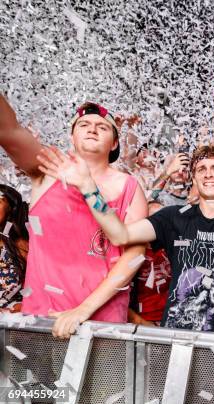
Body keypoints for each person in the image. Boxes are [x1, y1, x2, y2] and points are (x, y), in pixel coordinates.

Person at [37, 143, 214, 335]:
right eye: (201, 169)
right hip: (176, 337)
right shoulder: (173, 217)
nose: (208, 174)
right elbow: (120, 234)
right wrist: (88, 187)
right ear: (193, 177)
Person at [0, 97, 148, 339]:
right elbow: (7, 130)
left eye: (102, 127)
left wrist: (82, 311)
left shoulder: (129, 187)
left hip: (103, 324)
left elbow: (134, 256)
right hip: (41, 318)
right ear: (71, 138)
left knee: (103, 379)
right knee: (35, 379)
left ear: (114, 144)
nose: (92, 128)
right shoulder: (47, 170)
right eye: (83, 124)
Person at [0, 185, 29, 312]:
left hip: (8, 323)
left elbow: (39, 283)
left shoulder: (20, 245)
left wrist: (20, 306)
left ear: (11, 209)